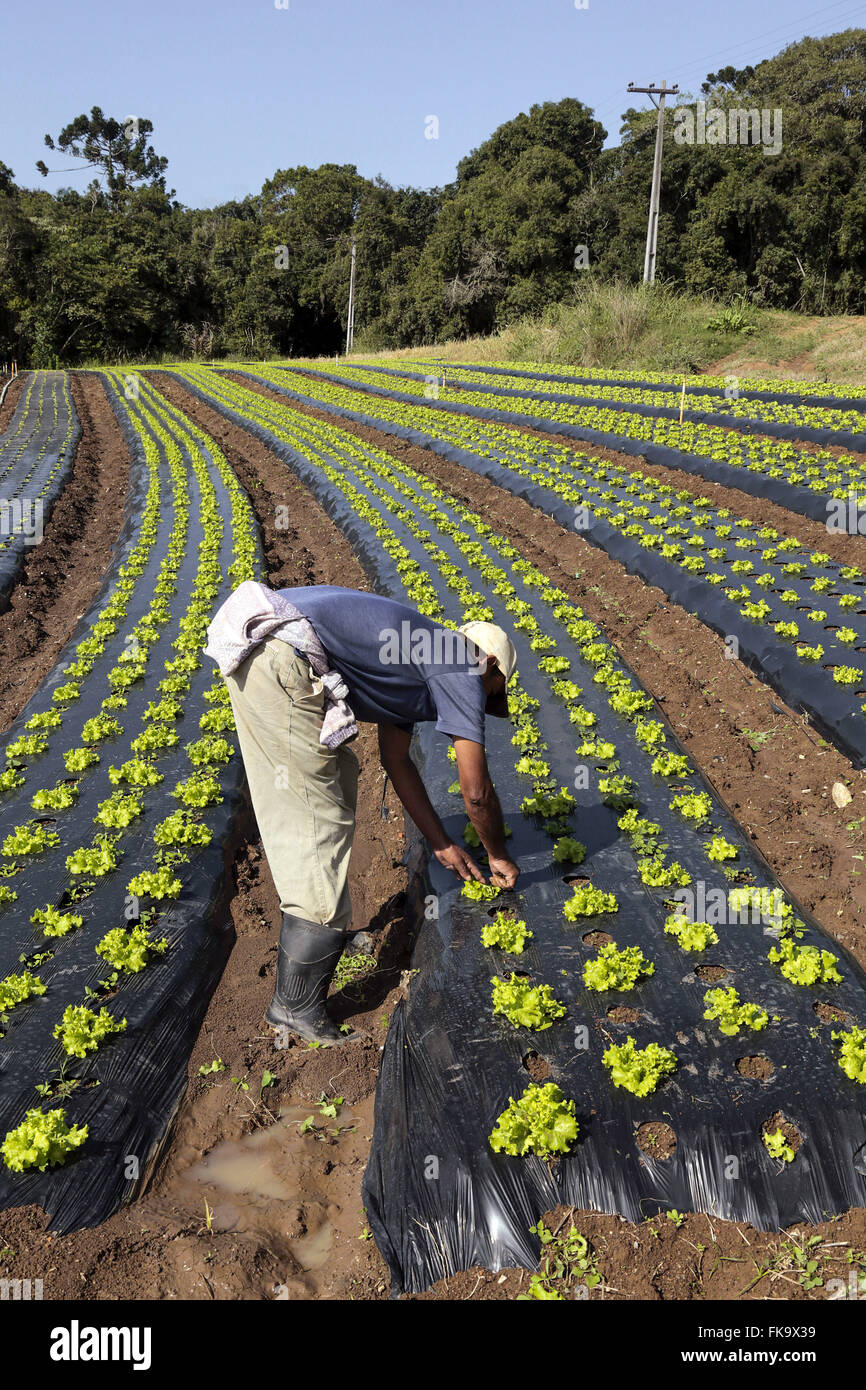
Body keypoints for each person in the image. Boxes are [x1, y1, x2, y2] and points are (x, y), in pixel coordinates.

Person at [204, 581, 520, 1046]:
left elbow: (396, 760)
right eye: (493, 691)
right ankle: (294, 1006)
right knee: (316, 820)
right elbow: (476, 793)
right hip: (278, 653)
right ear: (489, 663)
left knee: (336, 783)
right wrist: (498, 854)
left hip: (272, 641)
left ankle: (321, 945)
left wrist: (441, 843)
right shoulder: (461, 662)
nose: (484, 702)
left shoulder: (421, 656)